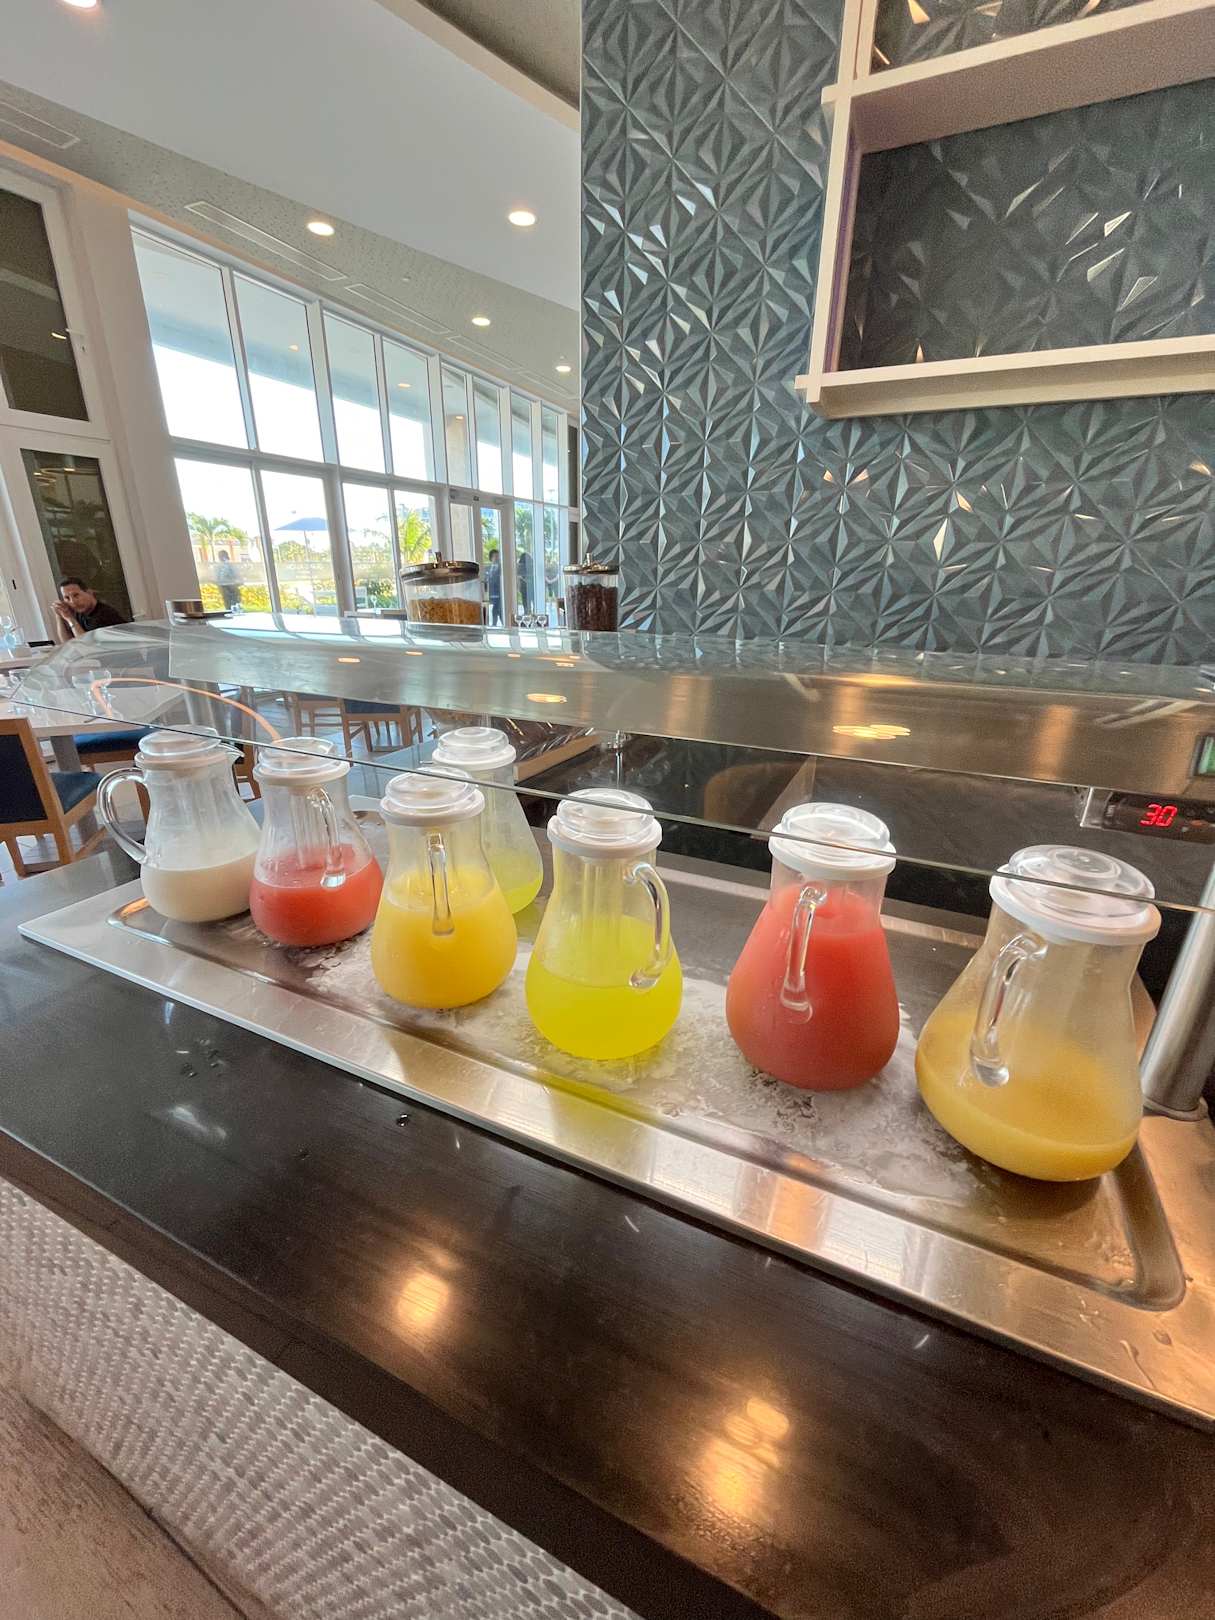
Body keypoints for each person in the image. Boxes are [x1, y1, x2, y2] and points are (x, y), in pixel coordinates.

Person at [51, 577, 128, 643]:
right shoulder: (81, 612)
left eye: (76, 595)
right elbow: (68, 642)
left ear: (89, 593)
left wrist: (70, 619)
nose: (73, 601)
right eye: (67, 598)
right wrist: (59, 615)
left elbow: (86, 645)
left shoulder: (104, 614)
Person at [485, 546, 503, 627]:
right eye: (495, 556)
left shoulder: (501, 568)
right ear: (491, 558)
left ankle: (495, 626)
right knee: (496, 611)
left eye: (498, 556)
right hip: (492, 594)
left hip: (499, 594)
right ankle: (494, 625)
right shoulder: (488, 568)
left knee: (497, 611)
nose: (497, 558)